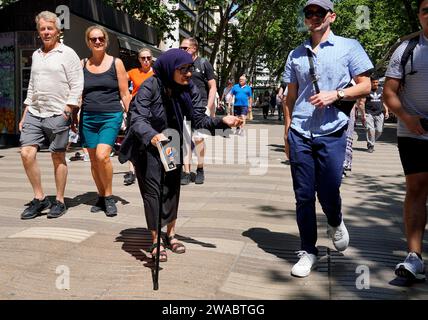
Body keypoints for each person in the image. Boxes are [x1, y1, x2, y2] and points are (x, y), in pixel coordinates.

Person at [119, 49, 241, 262]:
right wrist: (152, 135)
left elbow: (199, 120)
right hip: (147, 144)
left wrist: (222, 121)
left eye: (190, 69)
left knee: (172, 189)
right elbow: (137, 119)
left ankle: (171, 234)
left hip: (172, 141)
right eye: (182, 69)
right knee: (153, 192)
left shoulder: (189, 88)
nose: (188, 74)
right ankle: (156, 240)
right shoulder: (150, 86)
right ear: (169, 68)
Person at [283, 0, 372, 277]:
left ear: (331, 16)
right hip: (300, 131)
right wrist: (286, 131)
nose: (313, 17)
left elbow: (366, 85)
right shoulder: (295, 54)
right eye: (309, 13)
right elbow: (290, 96)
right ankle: (308, 250)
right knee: (304, 195)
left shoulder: (350, 46)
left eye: (319, 13)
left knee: (329, 189)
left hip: (333, 130)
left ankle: (335, 219)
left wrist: (337, 94)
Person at [18, 11, 83, 219]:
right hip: (35, 111)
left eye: (50, 28)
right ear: (39, 32)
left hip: (58, 112)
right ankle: (40, 198)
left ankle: (60, 201)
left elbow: (77, 84)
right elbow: (32, 86)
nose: (46, 32)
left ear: (58, 31)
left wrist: (68, 110)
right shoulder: (36, 54)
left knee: (58, 156)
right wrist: (25, 111)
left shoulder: (68, 54)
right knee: (26, 153)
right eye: (43, 29)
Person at [383, 0, 428, 282]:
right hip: (413, 130)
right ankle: (414, 258)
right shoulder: (406, 49)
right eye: (426, 10)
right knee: (416, 189)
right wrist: (407, 117)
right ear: (421, 16)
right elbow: (389, 93)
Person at [79, 25, 131, 217]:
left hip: (110, 115)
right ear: (88, 42)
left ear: (106, 40)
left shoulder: (116, 63)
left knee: (102, 156)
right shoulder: (82, 63)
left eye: (101, 38)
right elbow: (77, 92)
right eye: (94, 39)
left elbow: (125, 93)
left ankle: (109, 197)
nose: (98, 41)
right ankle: (100, 196)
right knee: (93, 160)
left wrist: (133, 116)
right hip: (88, 117)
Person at [179, 37, 217, 185]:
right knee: (185, 140)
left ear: (194, 48)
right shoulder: (180, 63)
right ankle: (187, 172)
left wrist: (208, 106)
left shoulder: (203, 63)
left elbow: (212, 86)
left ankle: (200, 169)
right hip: (183, 105)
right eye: (181, 48)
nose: (182, 50)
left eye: (185, 48)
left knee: (198, 139)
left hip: (200, 105)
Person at [123, 48, 154, 185]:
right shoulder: (133, 72)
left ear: (152, 58)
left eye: (148, 58)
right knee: (133, 137)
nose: (146, 60)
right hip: (135, 108)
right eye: (143, 58)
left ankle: (149, 167)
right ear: (139, 59)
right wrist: (126, 98)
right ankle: (131, 171)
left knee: (150, 138)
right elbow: (118, 80)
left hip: (152, 109)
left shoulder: (157, 72)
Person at [360, 77, 389, 153]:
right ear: (371, 83)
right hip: (369, 113)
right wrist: (363, 114)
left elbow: (384, 101)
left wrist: (387, 111)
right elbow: (362, 102)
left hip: (379, 113)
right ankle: (371, 145)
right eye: (374, 82)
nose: (376, 84)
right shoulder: (367, 90)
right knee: (371, 129)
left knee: (379, 130)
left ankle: (371, 141)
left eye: (377, 82)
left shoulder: (381, 90)